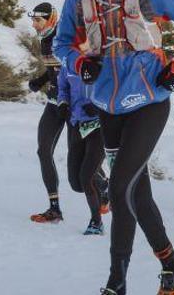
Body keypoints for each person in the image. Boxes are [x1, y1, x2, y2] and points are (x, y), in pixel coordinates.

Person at [55, 0, 174, 294]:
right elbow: (61, 44)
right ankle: (173, 263)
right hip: (108, 106)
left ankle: (116, 284)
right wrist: (79, 62)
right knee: (136, 192)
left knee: (121, 186)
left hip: (148, 102)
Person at [28, 3, 70, 223]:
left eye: (38, 20)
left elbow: (72, 69)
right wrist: (41, 80)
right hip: (54, 101)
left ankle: (104, 189)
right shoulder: (45, 38)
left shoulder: (64, 35)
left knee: (80, 160)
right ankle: (54, 209)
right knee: (43, 151)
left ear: (50, 19)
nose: (34, 25)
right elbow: (55, 68)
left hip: (73, 103)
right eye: (33, 20)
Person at [57, 63, 109, 235]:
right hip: (76, 124)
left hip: (99, 125)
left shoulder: (102, 62)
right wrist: (63, 103)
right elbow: (63, 88)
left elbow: (115, 89)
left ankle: (96, 222)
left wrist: (99, 105)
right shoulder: (68, 64)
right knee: (76, 183)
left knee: (86, 177)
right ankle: (105, 186)